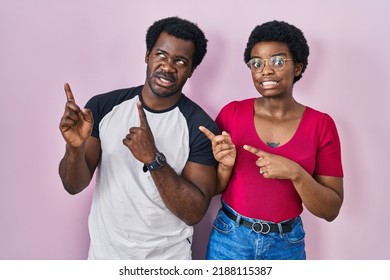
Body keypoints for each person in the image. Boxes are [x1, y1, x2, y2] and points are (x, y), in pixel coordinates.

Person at [58, 16, 220, 260]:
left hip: (167, 261)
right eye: (161, 55)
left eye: (180, 61)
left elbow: (193, 212)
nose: (167, 67)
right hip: (105, 257)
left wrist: (153, 159)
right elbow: (73, 185)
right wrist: (75, 148)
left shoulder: (200, 126)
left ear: (191, 70)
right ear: (147, 55)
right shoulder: (103, 107)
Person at [200, 20, 344, 260]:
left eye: (277, 61)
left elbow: (331, 210)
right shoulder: (231, 114)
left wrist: (296, 173)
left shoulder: (321, 125)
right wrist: (225, 166)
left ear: (297, 67)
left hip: (286, 245)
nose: (265, 70)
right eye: (256, 63)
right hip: (230, 239)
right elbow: (210, 190)